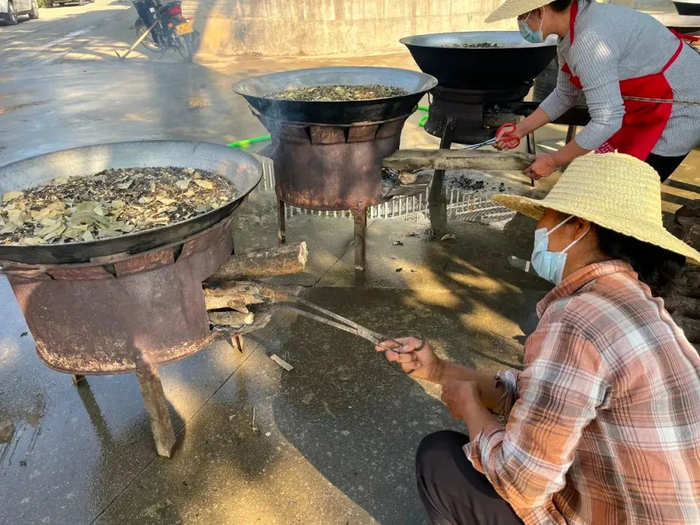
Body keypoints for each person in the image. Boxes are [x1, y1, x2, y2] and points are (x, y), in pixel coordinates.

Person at [378, 153, 700, 524]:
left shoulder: (578, 317)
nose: (538, 226)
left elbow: (520, 481)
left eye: (546, 215)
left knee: (441, 458)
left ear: (577, 227)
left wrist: (470, 405)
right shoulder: (636, 301)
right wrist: (439, 370)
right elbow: (547, 399)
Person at [486, 0, 700, 182]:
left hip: (679, 108)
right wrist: (520, 130)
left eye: (522, 16)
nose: (521, 23)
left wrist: (553, 160)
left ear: (541, 10)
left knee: (628, 190)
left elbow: (607, 120)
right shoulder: (573, 27)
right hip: (640, 108)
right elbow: (565, 95)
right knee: (603, 180)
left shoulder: (589, 39)